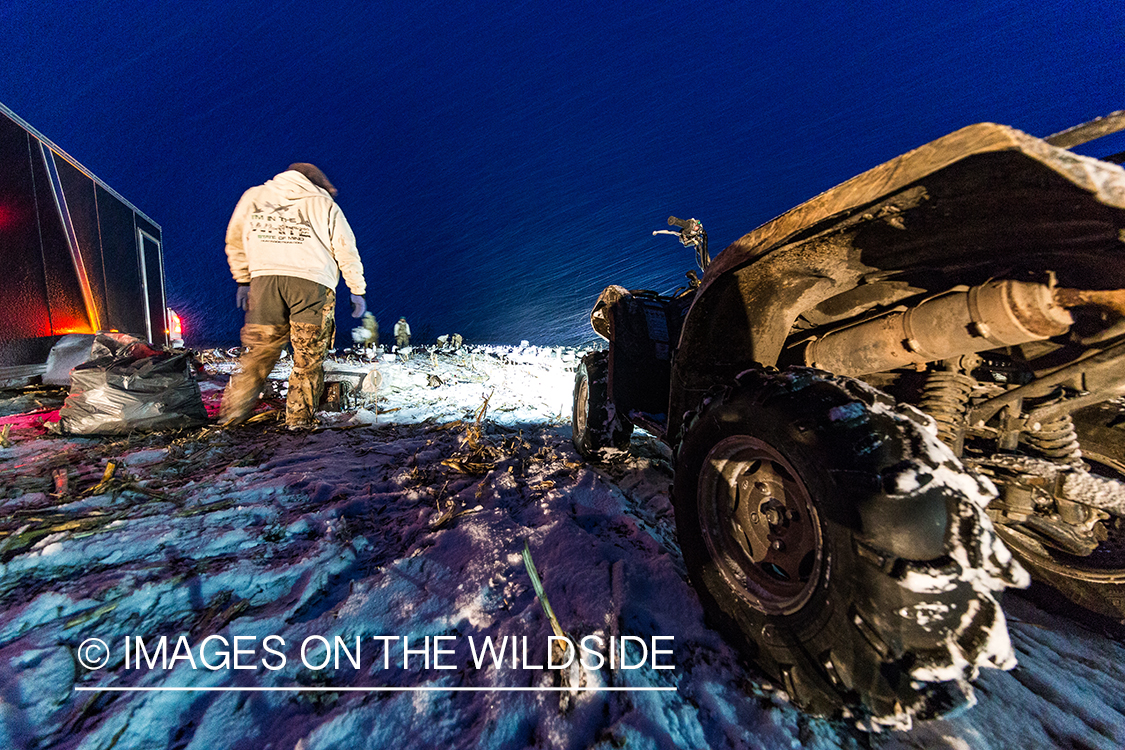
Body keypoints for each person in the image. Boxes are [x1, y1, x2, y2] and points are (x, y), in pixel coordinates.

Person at [220, 163, 367, 429]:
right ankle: (299, 421)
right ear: (317, 182)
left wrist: (243, 279)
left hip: (265, 284)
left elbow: (235, 239)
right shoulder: (324, 204)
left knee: (259, 354)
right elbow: (346, 249)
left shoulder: (254, 197)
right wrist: (357, 290)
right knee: (308, 359)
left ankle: (232, 415)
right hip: (312, 286)